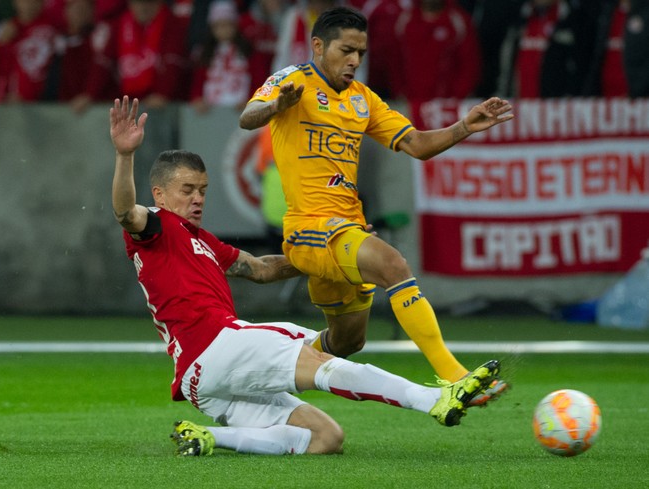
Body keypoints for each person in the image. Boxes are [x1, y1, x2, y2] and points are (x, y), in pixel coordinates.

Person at [109, 95, 501, 456]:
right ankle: (434, 400)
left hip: (202, 382)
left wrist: (325, 250)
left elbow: (262, 269)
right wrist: (125, 156)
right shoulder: (155, 226)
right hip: (214, 343)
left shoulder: (204, 241)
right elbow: (127, 214)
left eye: (203, 190)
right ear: (159, 194)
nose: (197, 199)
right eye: (187, 190)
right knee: (320, 357)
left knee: (325, 439)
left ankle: (208, 436)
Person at [239, 6, 513, 404]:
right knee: (393, 265)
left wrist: (463, 127)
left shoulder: (363, 99)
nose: (354, 60)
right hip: (308, 227)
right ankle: (455, 377)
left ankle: (259, 372)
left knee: (348, 341)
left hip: (347, 227)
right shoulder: (291, 81)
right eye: (346, 50)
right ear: (318, 45)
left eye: (361, 53)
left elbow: (416, 145)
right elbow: (248, 117)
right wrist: (276, 106)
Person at [70, 0, 189, 113]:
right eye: (137, 3)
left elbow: (173, 62)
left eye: (148, 3)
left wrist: (162, 93)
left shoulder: (172, 24)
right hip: (129, 102)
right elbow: (104, 62)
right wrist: (89, 94)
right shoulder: (121, 24)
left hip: (165, 107)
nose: (143, 8)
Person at [393, 0, 483, 128]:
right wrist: (400, 92)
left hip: (448, 109)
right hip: (410, 106)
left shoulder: (458, 21)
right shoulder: (404, 20)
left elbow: (470, 65)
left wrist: (456, 99)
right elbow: (395, 61)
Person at [496, 0, 596, 98]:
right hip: (519, 103)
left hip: (556, 105)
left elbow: (581, 65)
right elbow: (505, 64)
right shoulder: (517, 18)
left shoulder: (575, 20)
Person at [0, 0, 58, 104]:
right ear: (15, 2)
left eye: (34, 1)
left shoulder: (51, 31)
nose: (29, 5)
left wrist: (26, 95)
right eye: (24, 1)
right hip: (3, 103)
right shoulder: (4, 29)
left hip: (38, 104)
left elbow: (50, 70)